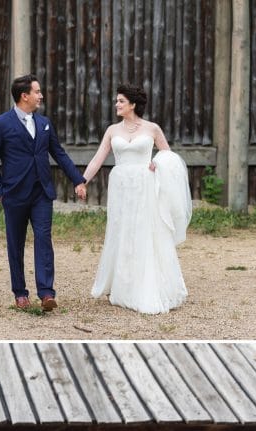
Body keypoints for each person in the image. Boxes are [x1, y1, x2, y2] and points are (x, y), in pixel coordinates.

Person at [83, 84, 192, 314]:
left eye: (121, 101)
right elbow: (97, 159)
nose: (117, 104)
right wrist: (82, 180)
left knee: (144, 231)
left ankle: (146, 286)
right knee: (122, 231)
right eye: (117, 101)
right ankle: (122, 285)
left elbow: (169, 156)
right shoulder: (112, 130)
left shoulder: (152, 128)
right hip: (121, 186)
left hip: (145, 185)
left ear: (132, 104)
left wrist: (157, 163)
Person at [0, 73, 87, 312]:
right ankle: (20, 293)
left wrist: (78, 180)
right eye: (37, 91)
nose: (41, 96)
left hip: (42, 193)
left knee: (44, 239)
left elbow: (59, 153)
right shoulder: (0, 124)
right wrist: (0, 192)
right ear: (24, 96)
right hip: (14, 194)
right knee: (16, 245)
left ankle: (46, 293)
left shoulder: (44, 123)